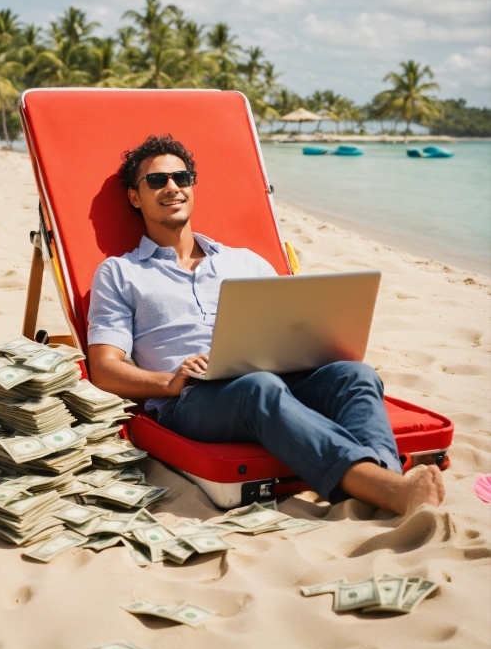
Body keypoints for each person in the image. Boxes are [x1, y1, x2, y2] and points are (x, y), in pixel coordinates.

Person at [87, 134, 445, 515]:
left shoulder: (245, 262)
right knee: (258, 387)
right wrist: (169, 381)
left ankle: (383, 482)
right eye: (157, 181)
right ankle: (389, 489)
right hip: (192, 399)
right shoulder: (120, 272)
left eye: (182, 177)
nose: (172, 187)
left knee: (354, 374)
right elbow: (104, 370)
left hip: (276, 378)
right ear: (134, 197)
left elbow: (292, 328)